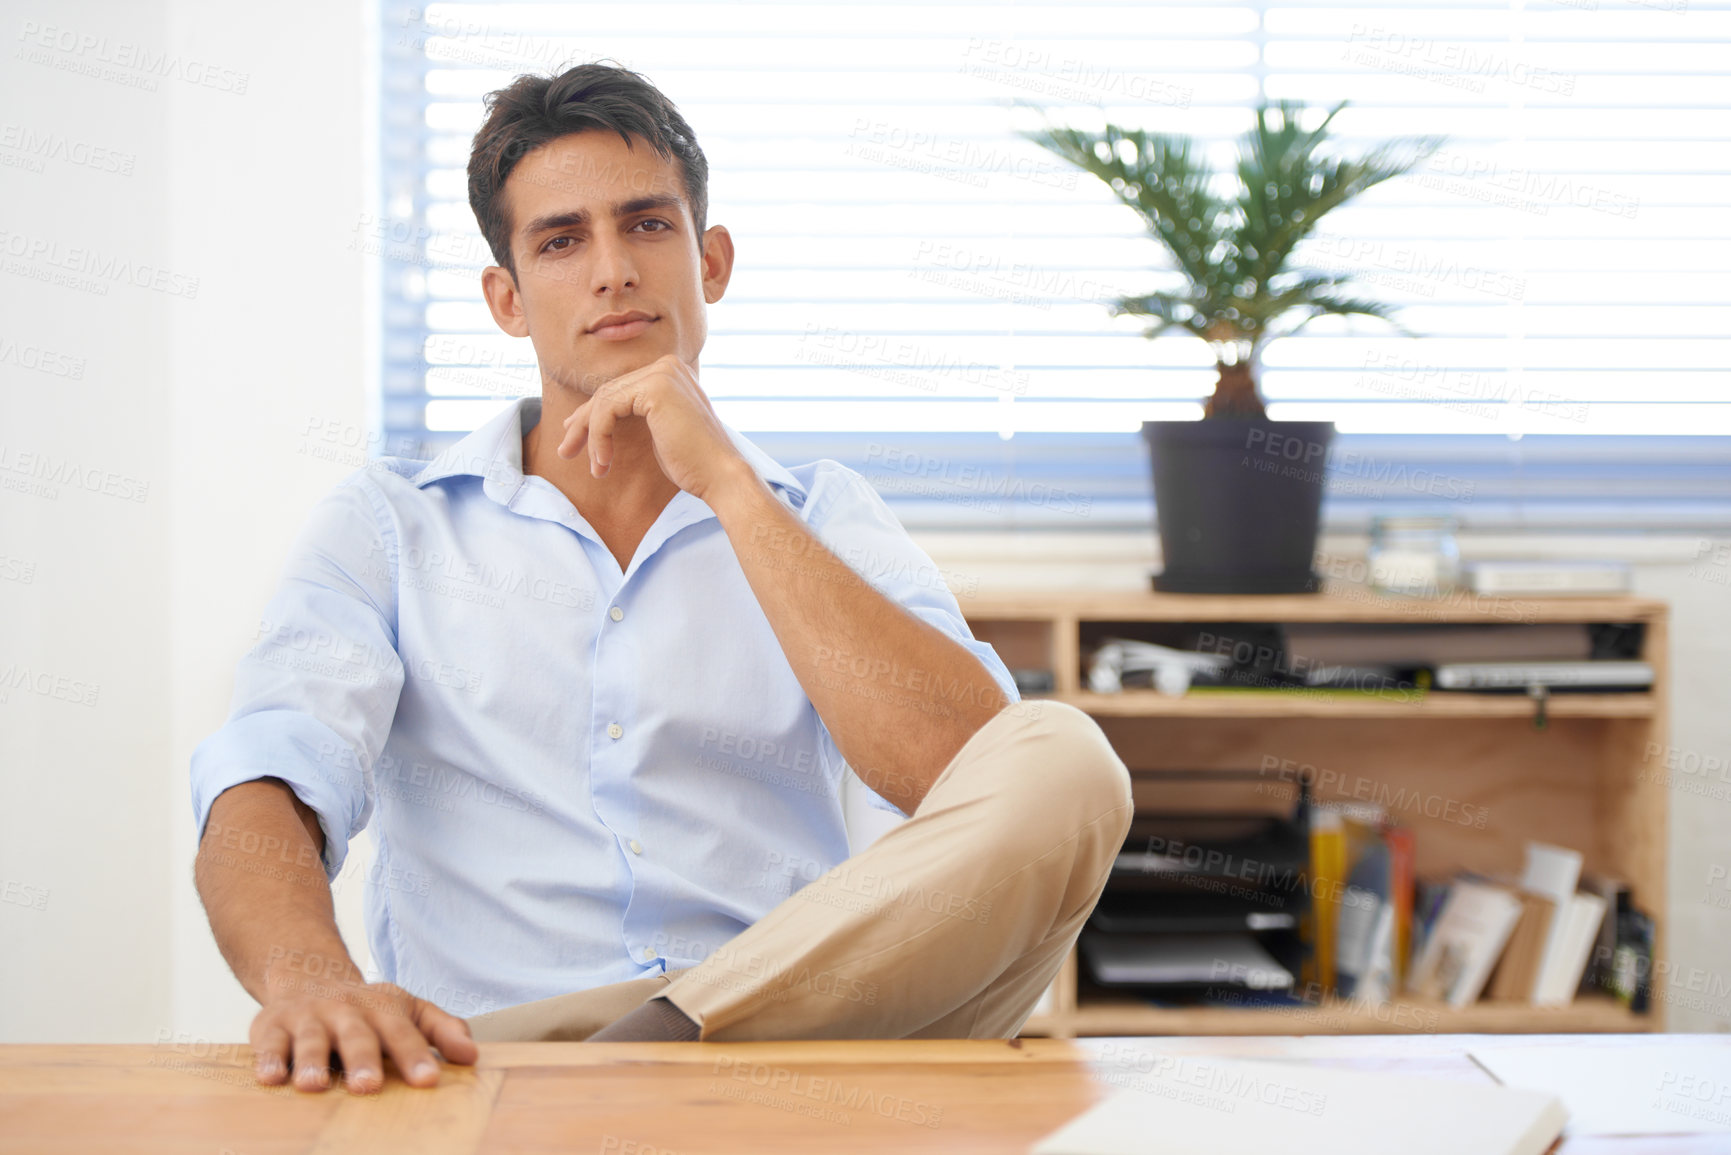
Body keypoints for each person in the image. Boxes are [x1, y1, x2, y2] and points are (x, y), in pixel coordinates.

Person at [190, 61, 1132, 1095]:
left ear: (710, 261)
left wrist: (727, 483)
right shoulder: (392, 523)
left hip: (808, 1014)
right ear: (505, 299)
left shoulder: (820, 514)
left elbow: (972, 776)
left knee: (1067, 759)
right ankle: (658, 1070)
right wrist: (312, 978)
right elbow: (270, 778)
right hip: (497, 1046)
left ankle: (665, 1053)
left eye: (647, 226)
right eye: (561, 241)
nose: (612, 271)